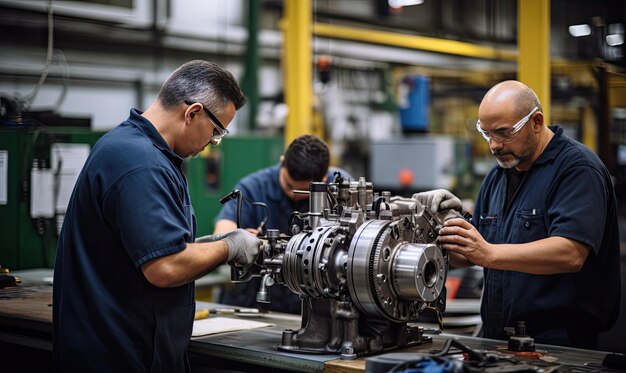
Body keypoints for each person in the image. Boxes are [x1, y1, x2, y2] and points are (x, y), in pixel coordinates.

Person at [53, 60, 263, 372]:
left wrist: (208, 244)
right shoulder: (141, 164)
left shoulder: (136, 150)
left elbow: (144, 248)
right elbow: (164, 267)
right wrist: (230, 246)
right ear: (192, 113)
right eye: (216, 131)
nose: (212, 143)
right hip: (118, 355)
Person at [416, 80, 620, 349]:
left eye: (503, 133)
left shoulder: (577, 170)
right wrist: (441, 227)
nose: (493, 145)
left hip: (557, 343)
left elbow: (571, 253)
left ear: (536, 121)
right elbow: (470, 254)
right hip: (497, 337)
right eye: (486, 133)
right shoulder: (498, 176)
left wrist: (488, 253)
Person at [214, 134, 352, 314]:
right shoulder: (254, 187)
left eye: (303, 191)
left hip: (314, 304)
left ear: (324, 179)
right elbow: (222, 230)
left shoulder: (342, 187)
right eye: (288, 185)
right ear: (282, 162)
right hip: (258, 305)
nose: (293, 194)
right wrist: (243, 239)